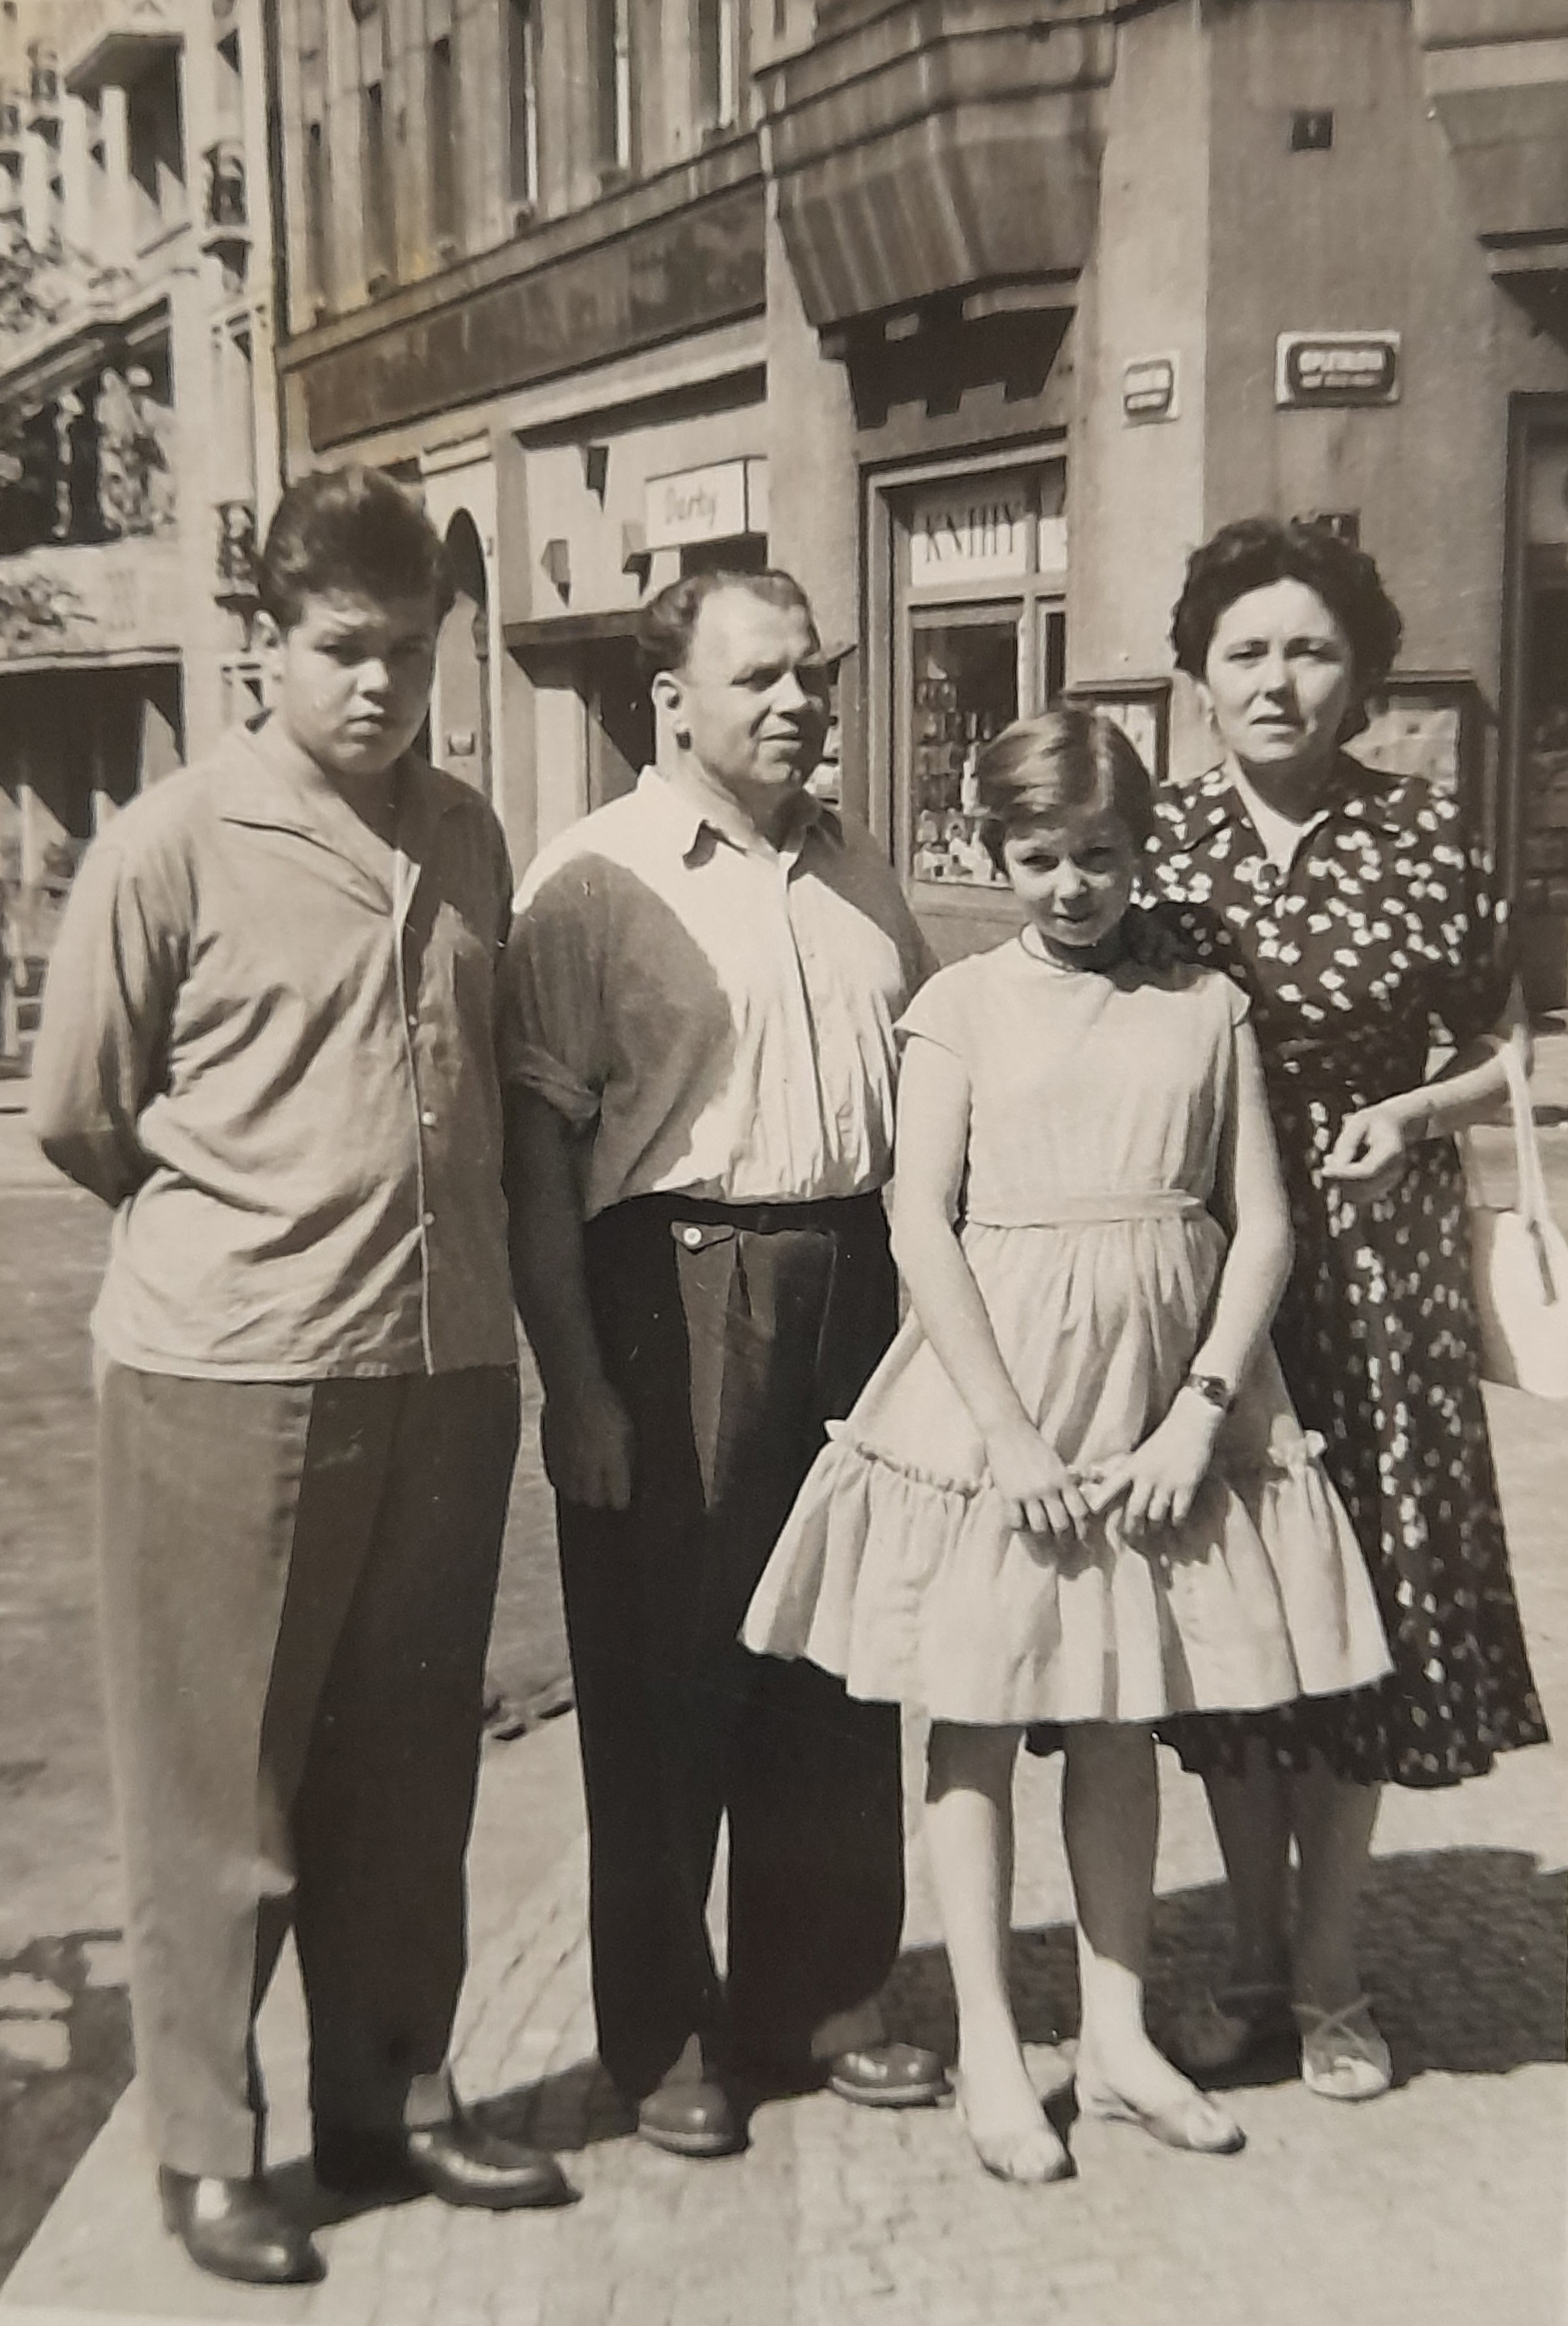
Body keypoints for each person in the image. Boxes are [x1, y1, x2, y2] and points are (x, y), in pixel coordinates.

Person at [29, 466, 575, 2289]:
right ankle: (205, 2150)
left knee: (411, 1763)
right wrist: (248, 1229)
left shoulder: (472, 835)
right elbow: (82, 1114)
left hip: (443, 1361)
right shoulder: (171, 845)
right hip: (231, 1371)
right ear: (267, 645)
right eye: (343, 648)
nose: (379, 685)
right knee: (222, 1792)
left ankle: (389, 2098)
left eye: (409, 651)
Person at [744, 709, 1390, 2184]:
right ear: (995, 851)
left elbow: (1261, 1225)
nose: (1073, 885)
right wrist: (1006, 1438)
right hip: (1005, 1399)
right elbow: (920, 1220)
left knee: (1118, 1716)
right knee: (974, 1717)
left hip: (1161, 1406)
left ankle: (1114, 2040)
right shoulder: (960, 1005)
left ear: (1141, 849)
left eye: (1100, 854)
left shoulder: (1204, 1006)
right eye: (1039, 856)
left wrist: (1200, 1412)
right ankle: (990, 2045)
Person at [504, 569, 949, 2160]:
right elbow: (534, 1163)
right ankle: (663, 2028)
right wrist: (576, 1385)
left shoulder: (860, 870)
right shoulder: (593, 882)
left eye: (811, 675)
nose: (798, 703)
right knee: (664, 1675)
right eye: (759, 677)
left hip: (856, 1283)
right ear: (668, 701)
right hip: (673, 1286)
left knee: (835, 1663)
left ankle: (818, 1998)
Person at [1142, 516, 1549, 2100]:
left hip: (1377, 1280)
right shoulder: (1154, 842)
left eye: (1308, 650)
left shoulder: (1421, 836)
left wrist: (1416, 1113)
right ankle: (1248, 1961)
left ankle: (1328, 1978)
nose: (1275, 680)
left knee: (1356, 1613)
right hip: (1206, 1275)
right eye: (1242, 650)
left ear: (1359, 675)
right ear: (1196, 675)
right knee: (1233, 1611)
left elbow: (1507, 1045)